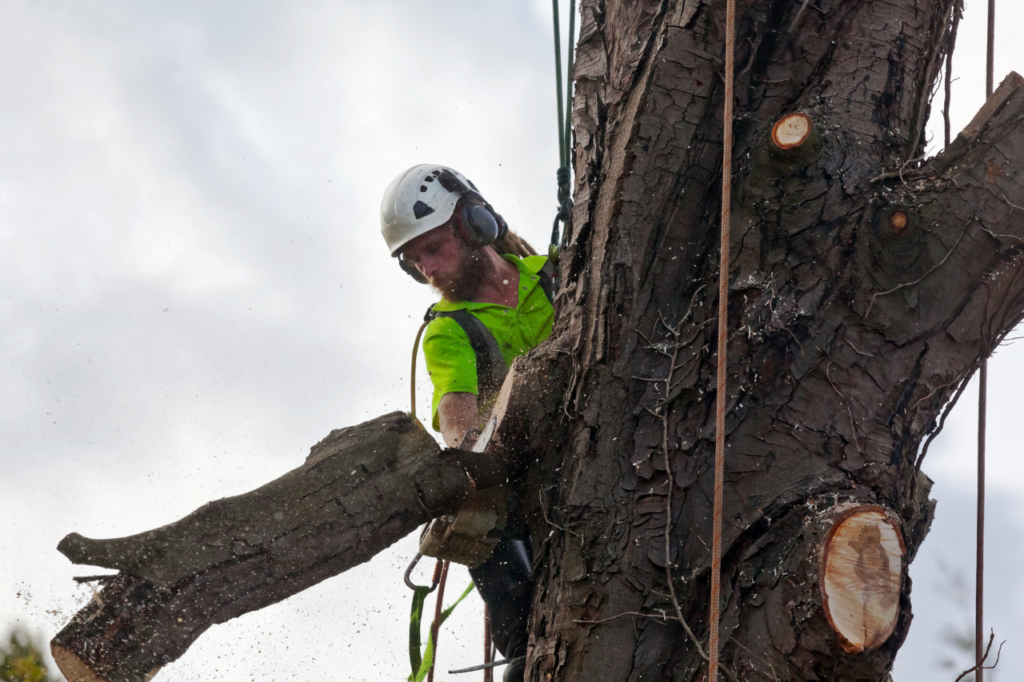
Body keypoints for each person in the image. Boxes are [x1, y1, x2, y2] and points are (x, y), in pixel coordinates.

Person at [381, 164, 556, 682]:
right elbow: (458, 418)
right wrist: (470, 451)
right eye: (415, 261)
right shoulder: (449, 330)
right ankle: (527, 650)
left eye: (433, 248)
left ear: (472, 222)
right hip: (530, 486)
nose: (428, 269)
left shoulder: (558, 272)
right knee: (481, 520)